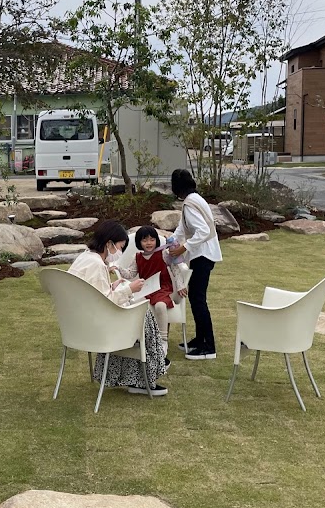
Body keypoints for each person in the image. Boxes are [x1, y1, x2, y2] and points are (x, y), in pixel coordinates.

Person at [67, 219, 169, 396]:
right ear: (109, 244)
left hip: (78, 325)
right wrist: (129, 289)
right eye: (120, 247)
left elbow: (93, 294)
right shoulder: (97, 264)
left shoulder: (84, 258)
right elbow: (107, 303)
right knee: (144, 316)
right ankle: (147, 375)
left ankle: (132, 377)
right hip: (98, 327)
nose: (120, 252)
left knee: (139, 315)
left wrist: (112, 287)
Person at [167, 169, 222, 360]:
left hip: (203, 255)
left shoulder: (190, 203)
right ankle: (200, 340)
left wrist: (183, 248)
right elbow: (182, 227)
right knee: (195, 298)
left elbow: (203, 231)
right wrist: (170, 241)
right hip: (204, 254)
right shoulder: (194, 199)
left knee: (198, 299)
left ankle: (208, 346)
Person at [119, 225, 188, 357]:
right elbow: (130, 273)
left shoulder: (163, 254)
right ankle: (137, 337)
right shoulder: (137, 257)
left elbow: (175, 269)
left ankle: (163, 340)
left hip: (162, 288)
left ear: (156, 240)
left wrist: (180, 285)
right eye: (145, 240)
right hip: (145, 289)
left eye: (152, 239)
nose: (149, 243)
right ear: (139, 242)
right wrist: (118, 268)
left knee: (160, 305)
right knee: (132, 304)